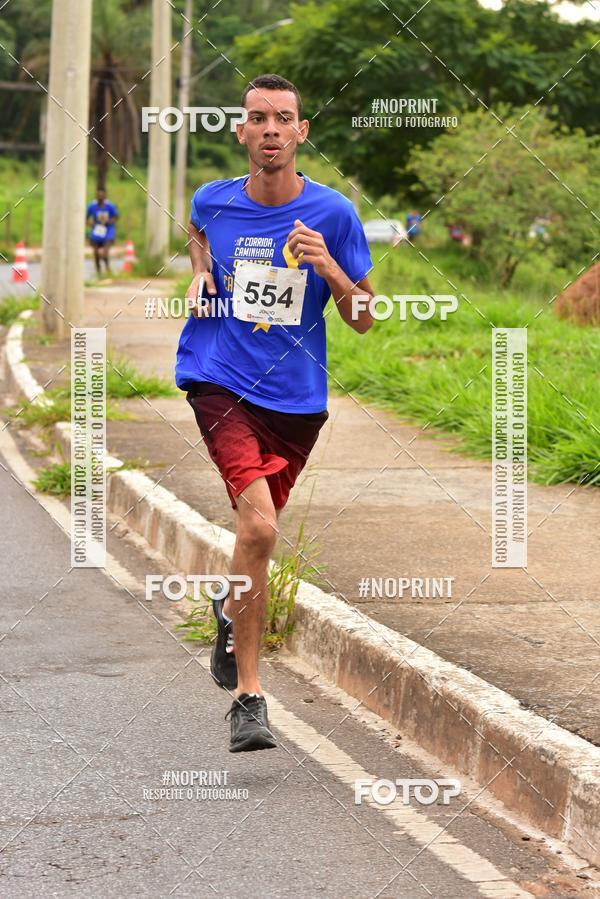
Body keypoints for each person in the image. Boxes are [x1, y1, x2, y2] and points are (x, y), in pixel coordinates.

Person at [175, 73, 375, 753]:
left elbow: (367, 319)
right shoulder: (215, 199)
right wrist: (201, 272)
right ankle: (250, 698)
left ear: (300, 132)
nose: (268, 129)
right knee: (257, 527)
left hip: (295, 402)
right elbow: (198, 230)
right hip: (218, 380)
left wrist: (334, 273)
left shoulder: (334, 214)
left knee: (254, 542)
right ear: (241, 131)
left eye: (281, 118)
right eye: (256, 117)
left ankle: (231, 613)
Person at [86, 188, 118, 276]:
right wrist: (91, 223)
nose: (100, 197)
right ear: (96, 196)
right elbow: (86, 218)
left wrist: (109, 221)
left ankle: (107, 268)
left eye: (101, 195)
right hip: (97, 231)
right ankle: (98, 272)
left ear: (104, 196)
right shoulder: (92, 206)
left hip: (108, 231)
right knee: (96, 253)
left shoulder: (110, 206)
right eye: (98, 195)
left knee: (104, 254)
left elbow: (116, 217)